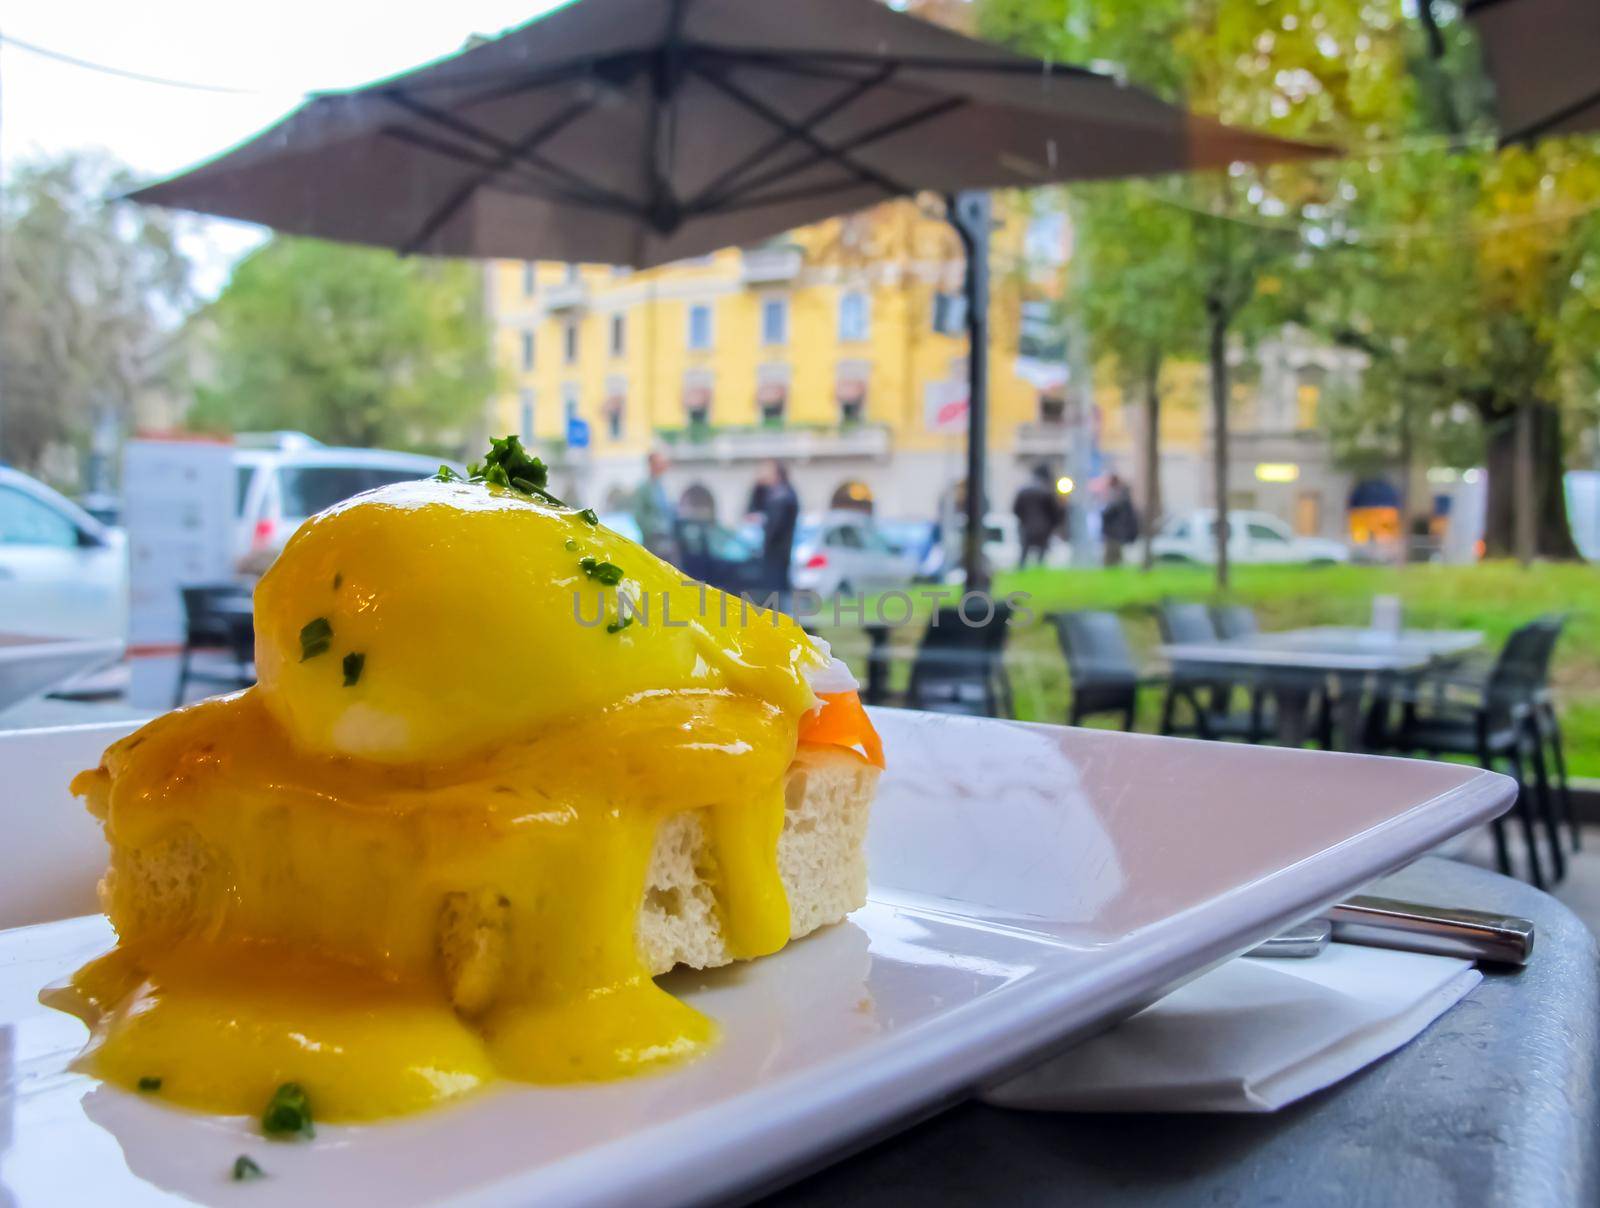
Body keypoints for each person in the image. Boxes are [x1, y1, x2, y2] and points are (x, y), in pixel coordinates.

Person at [746, 459, 800, 608]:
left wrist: (762, 523)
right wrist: (757, 485)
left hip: (776, 556)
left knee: (777, 599)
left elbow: (773, 529)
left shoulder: (782, 496)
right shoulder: (776, 493)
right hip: (776, 557)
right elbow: (752, 507)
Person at [631, 450, 679, 562]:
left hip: (669, 540)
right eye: (660, 463)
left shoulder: (665, 486)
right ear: (651, 465)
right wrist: (652, 531)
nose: (663, 465)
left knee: (677, 576)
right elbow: (638, 516)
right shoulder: (643, 488)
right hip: (654, 542)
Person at [1012, 465, 1064, 568]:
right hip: (1044, 527)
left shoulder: (1023, 490)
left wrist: (1023, 520)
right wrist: (1055, 524)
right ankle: (1039, 570)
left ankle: (1022, 569)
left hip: (1025, 526)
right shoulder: (1047, 491)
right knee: (1041, 555)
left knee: (1024, 553)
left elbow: (1015, 509)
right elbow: (1055, 511)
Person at [1101, 474, 1141, 568]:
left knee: (1112, 558)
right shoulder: (1122, 497)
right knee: (1115, 558)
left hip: (1114, 532)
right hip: (1117, 532)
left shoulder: (1119, 497)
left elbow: (1109, 513)